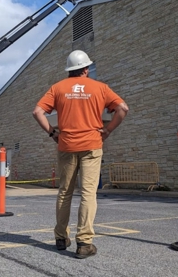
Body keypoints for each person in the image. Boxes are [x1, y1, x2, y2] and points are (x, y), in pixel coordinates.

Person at [33, 50, 129, 259]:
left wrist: (52, 132)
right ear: (86, 69)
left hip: (66, 145)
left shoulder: (57, 88)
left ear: (69, 70)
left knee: (64, 192)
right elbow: (122, 108)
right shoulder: (100, 88)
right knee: (88, 194)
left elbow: (37, 112)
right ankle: (84, 243)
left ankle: (61, 237)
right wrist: (109, 129)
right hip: (92, 145)